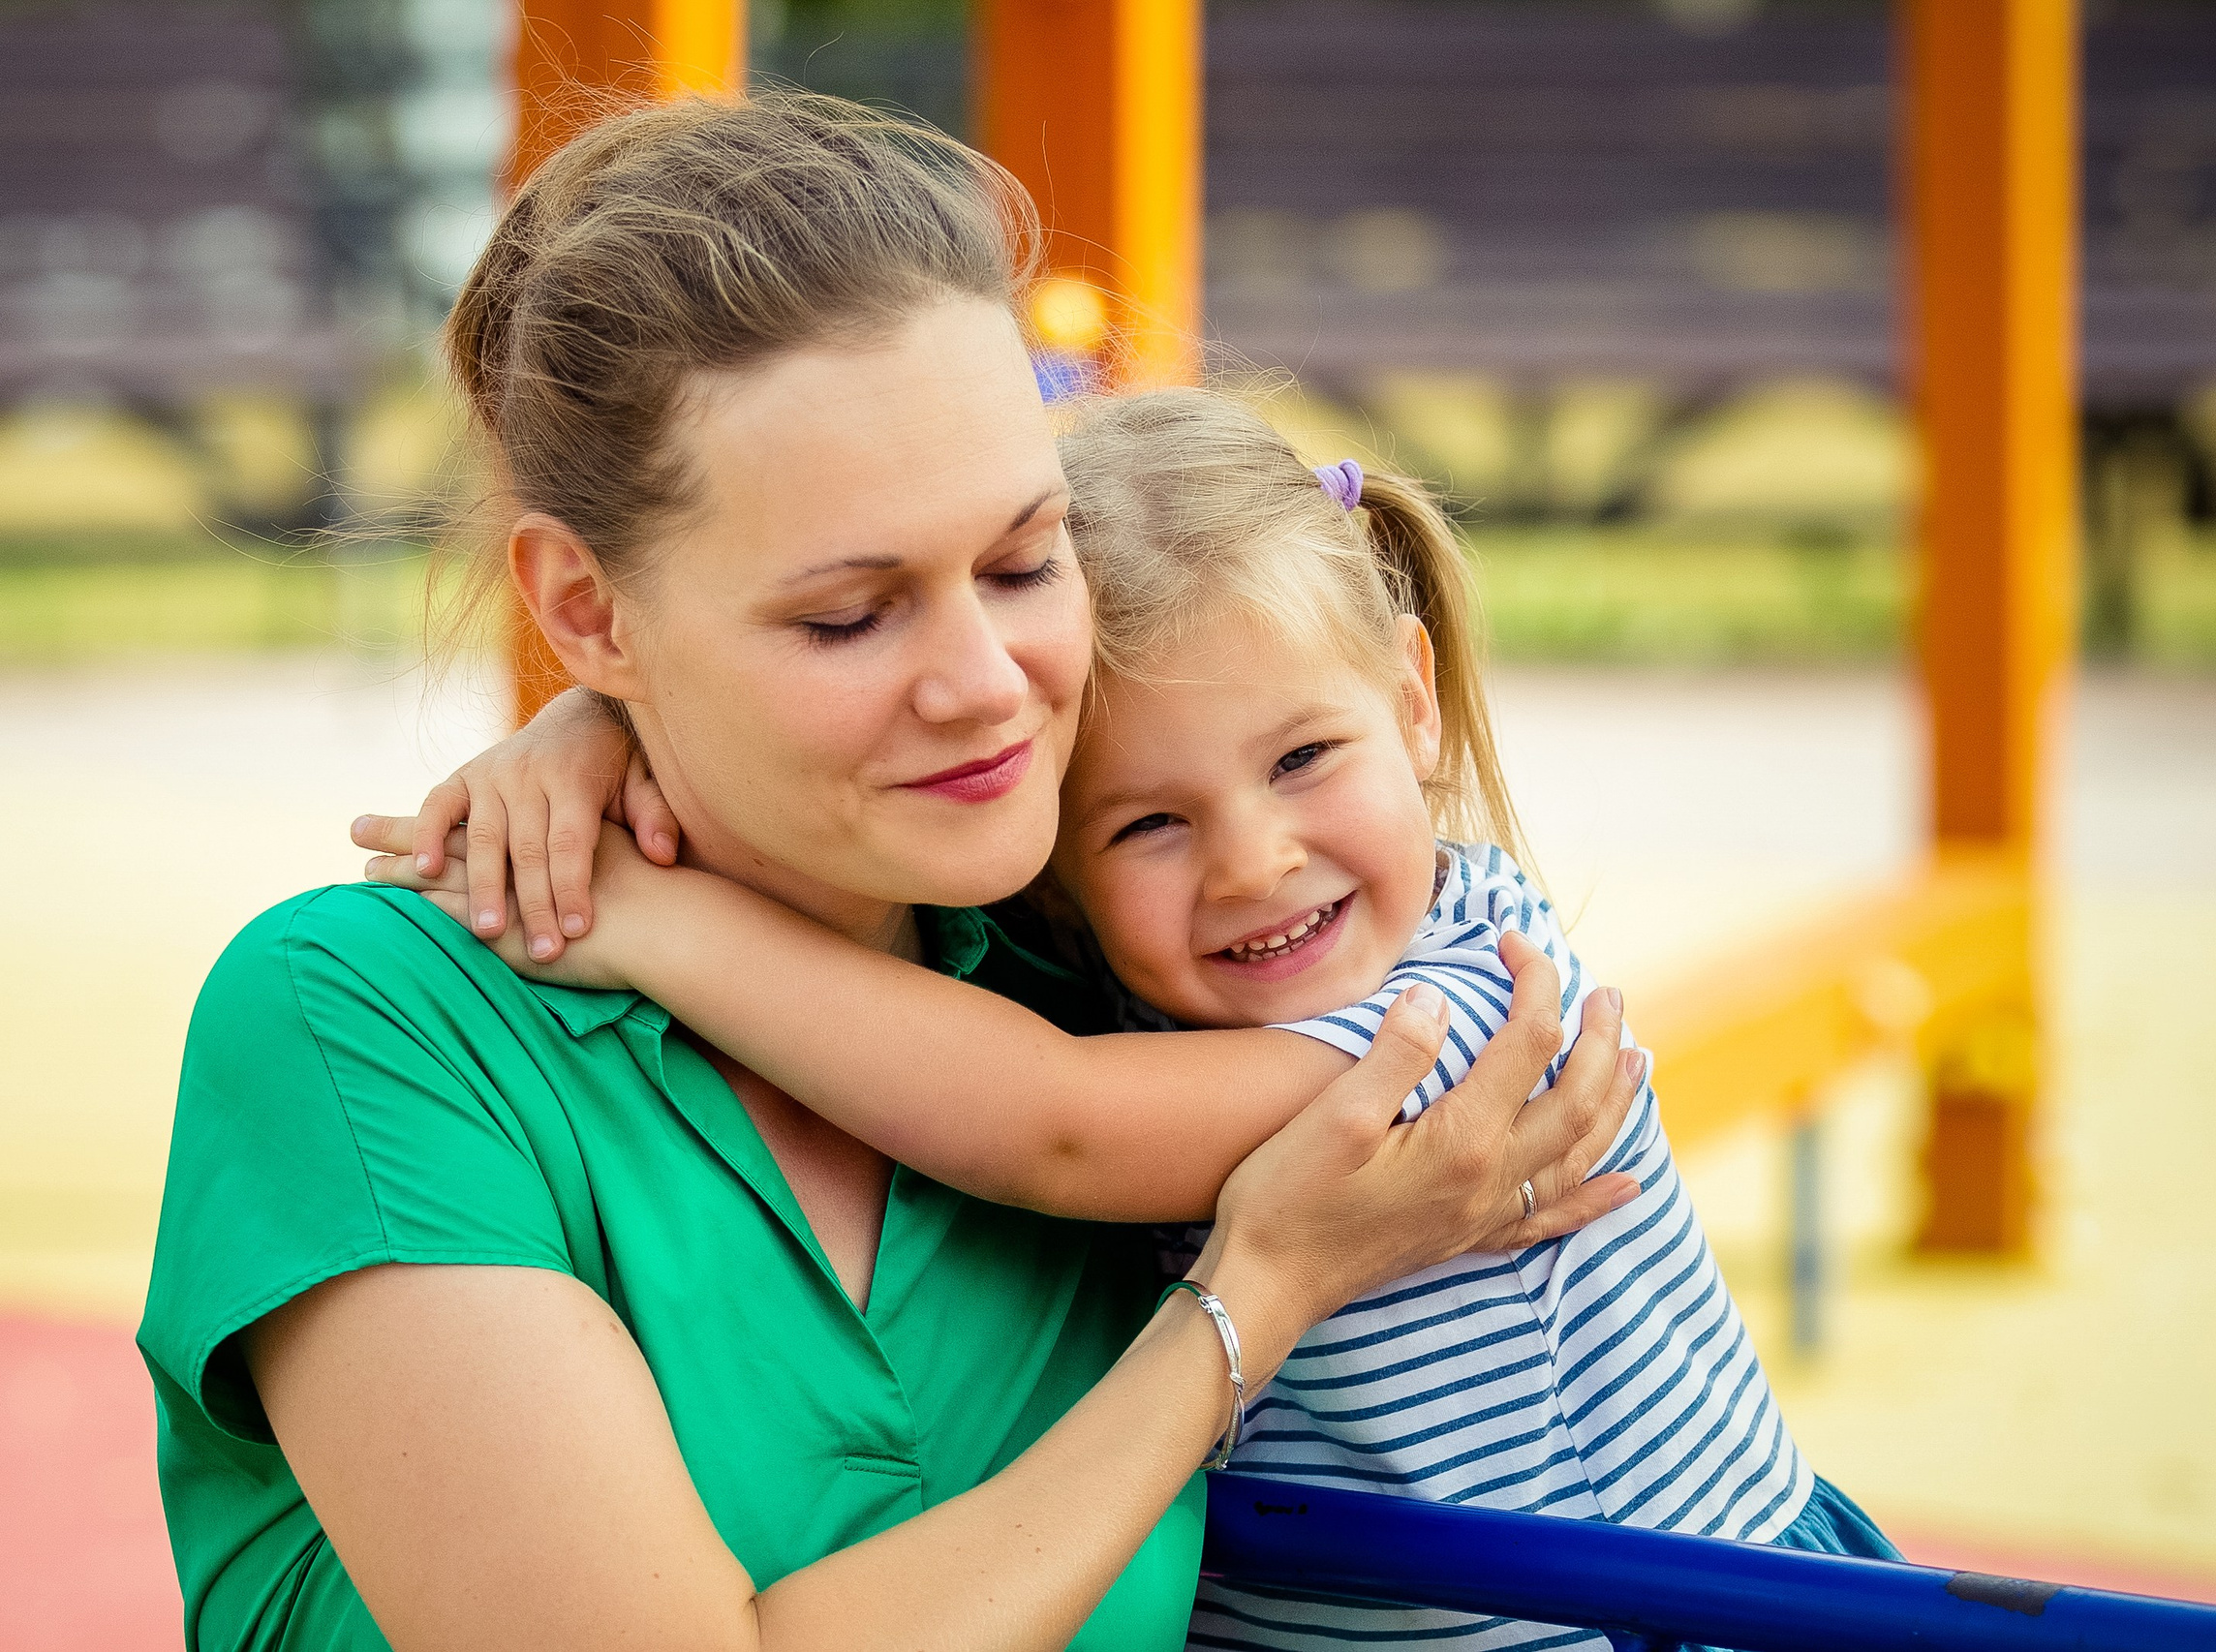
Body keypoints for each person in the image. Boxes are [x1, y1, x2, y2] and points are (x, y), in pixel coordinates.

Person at [140, 93, 1647, 1652]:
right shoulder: (359, 1024)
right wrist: (1241, 1306)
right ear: (585, 608)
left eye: (1023, 561)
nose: (988, 685)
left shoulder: (1103, 946)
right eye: (849, 617)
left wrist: (611, 729)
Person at [360, 391, 1901, 1651]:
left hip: (1659, 1616)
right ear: (1052, 856)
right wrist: (600, 721)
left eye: (1304, 758)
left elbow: (1053, 1124)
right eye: (1150, 823)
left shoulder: (1461, 1010)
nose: (1253, 861)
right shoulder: (1131, 995)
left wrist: (648, 919)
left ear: (1413, 699)